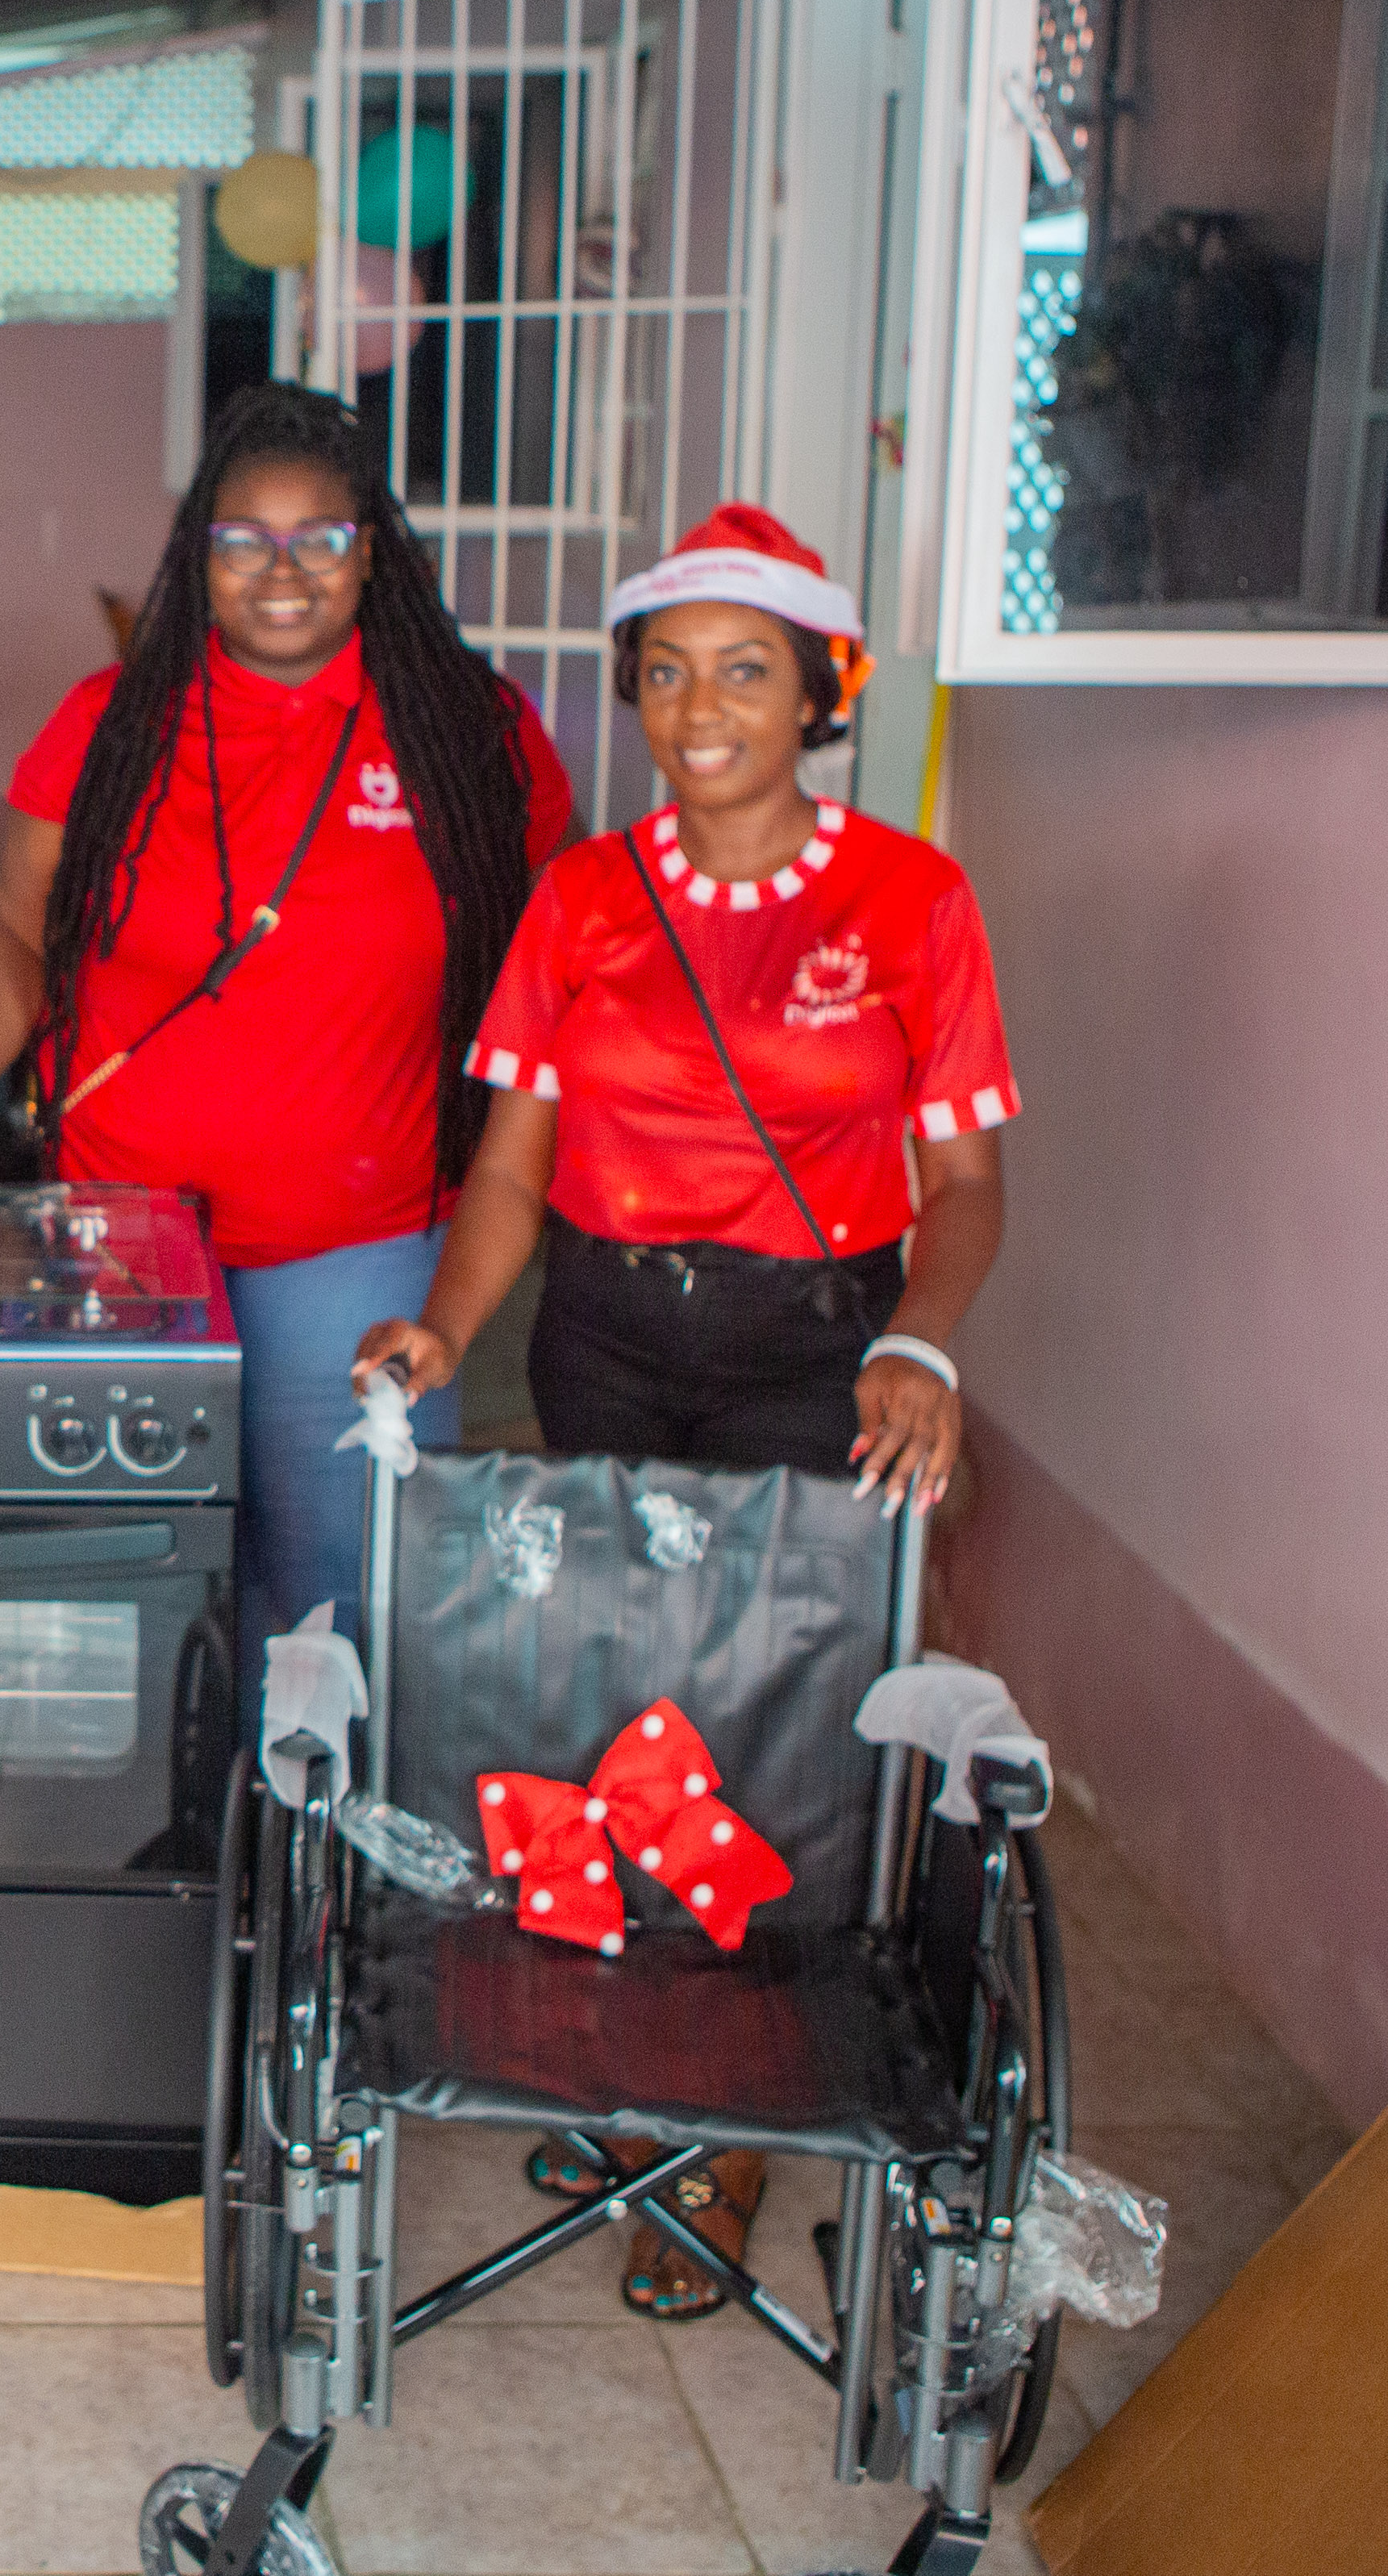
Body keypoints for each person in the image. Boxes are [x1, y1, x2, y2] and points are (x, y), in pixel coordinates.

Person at [352, 502, 1015, 2317]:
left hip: (821, 1353)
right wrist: (436, 1330)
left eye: (743, 668)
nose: (696, 703)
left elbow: (958, 1188)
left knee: (779, 1720)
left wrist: (923, 1347)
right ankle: (627, 2063)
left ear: (820, 692)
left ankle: (722, 2135)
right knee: (624, 1699)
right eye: (663, 669)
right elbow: (508, 1172)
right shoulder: (579, 896)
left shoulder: (909, 901)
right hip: (604, 1336)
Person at [0, 384, 576, 1650]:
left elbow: (539, 967)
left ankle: (325, 1840)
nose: (281, 569)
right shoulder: (108, 725)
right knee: (149, 1575)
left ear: (374, 554)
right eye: (242, 538)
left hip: (358, 1237)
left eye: (320, 537)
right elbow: (15, 928)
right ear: (198, 557)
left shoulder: (474, 736)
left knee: (345, 1592)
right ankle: (189, 1838)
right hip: (122, 1235)